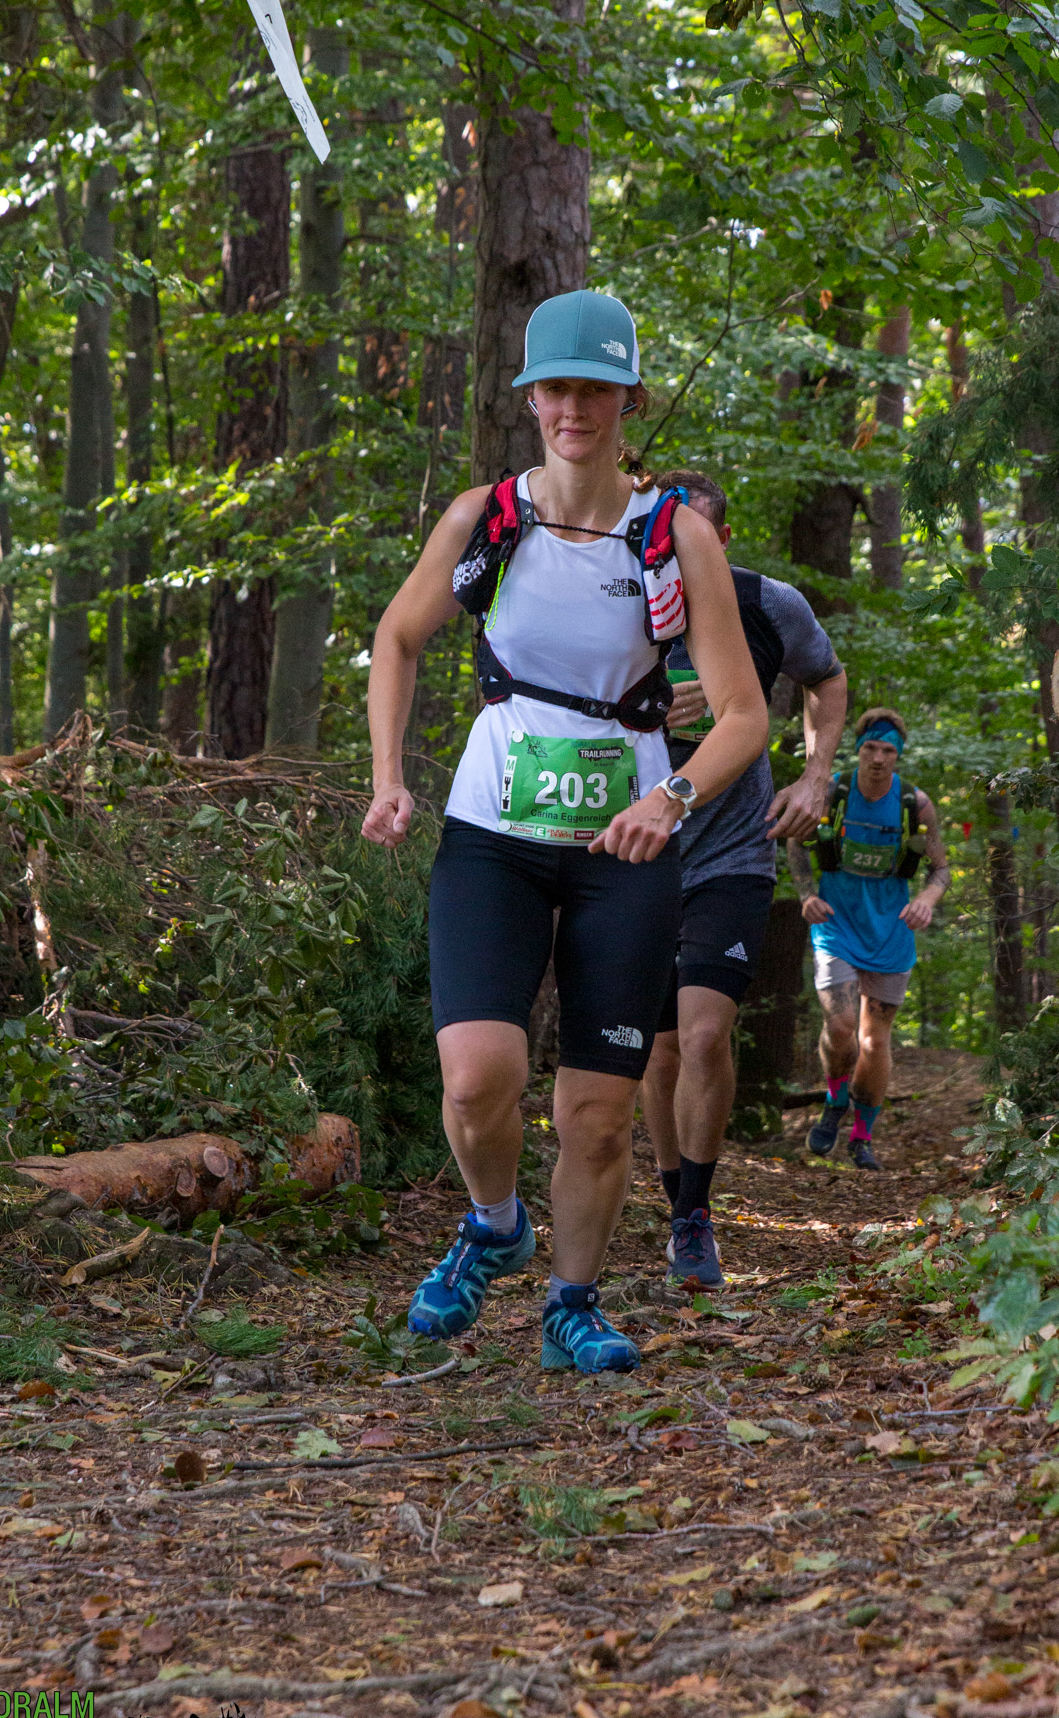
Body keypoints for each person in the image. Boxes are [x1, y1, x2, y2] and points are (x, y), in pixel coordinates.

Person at [361, 290, 767, 1374]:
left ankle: (571, 1305)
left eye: (595, 388)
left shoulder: (675, 536)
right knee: (475, 1077)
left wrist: (668, 799)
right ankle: (495, 1224)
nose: (573, 408)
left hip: (623, 853)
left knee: (596, 1112)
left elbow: (742, 715)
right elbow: (397, 638)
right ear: (530, 398)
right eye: (555, 389)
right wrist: (389, 777)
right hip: (490, 832)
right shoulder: (485, 518)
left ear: (629, 399)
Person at [639, 469, 847, 1286]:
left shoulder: (768, 604)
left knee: (702, 1035)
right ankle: (673, 1203)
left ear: (720, 540)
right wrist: (643, 711)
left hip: (731, 851)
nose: (678, 551)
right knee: (657, 1050)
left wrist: (814, 776)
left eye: (695, 536)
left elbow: (825, 678)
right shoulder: (614, 601)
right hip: (635, 850)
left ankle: (695, 1217)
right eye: (664, 536)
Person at [793, 707, 949, 1172]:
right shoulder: (832, 793)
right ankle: (834, 1100)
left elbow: (940, 868)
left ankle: (862, 1138)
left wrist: (927, 900)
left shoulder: (915, 805)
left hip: (891, 934)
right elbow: (795, 843)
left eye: (888, 751)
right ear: (858, 750)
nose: (878, 759)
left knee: (875, 1042)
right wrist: (806, 894)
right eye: (870, 748)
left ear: (898, 756)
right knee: (841, 1026)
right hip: (835, 926)